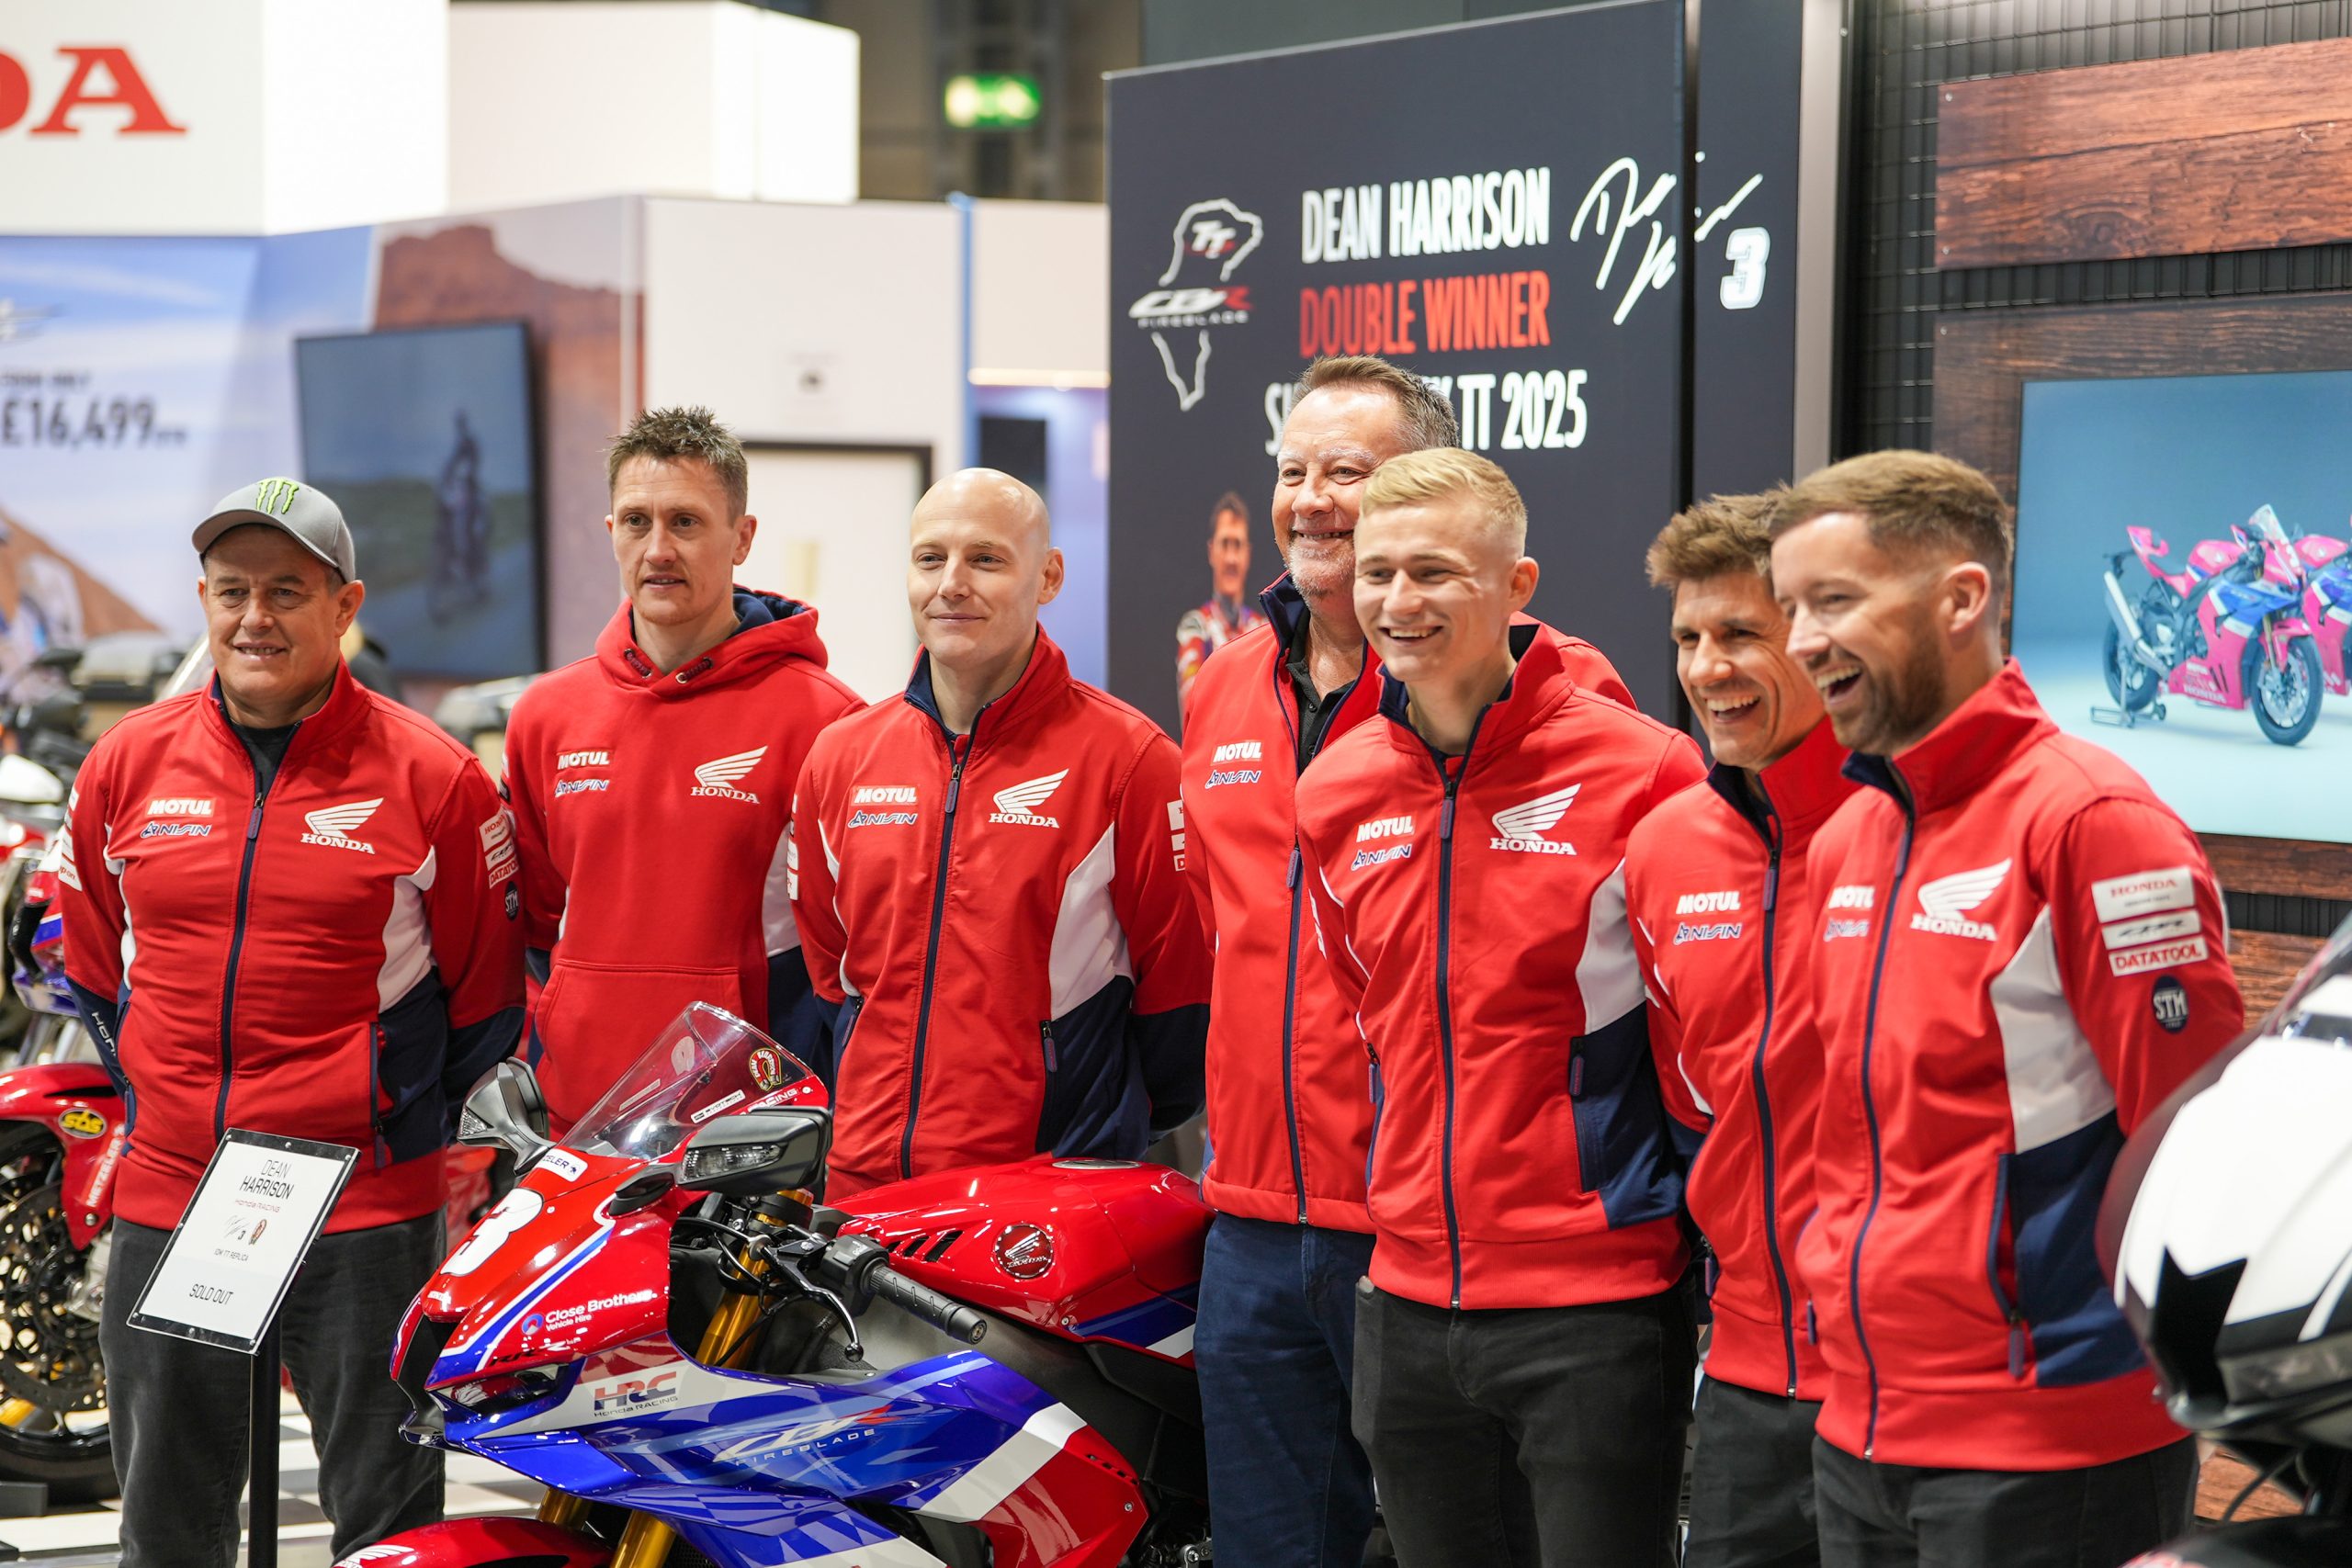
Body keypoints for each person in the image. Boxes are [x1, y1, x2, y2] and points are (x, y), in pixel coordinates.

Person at [1180, 353, 1634, 1568]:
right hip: (1254, 1223)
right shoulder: (1222, 686)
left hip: (1433, 1231)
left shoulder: (1547, 691)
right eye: (1292, 471)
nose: (1311, 500)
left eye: (1348, 472)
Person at [1769, 451, 2245, 1568]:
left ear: (1961, 598)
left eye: (1832, 600)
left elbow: (2199, 1143)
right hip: (1858, 1427)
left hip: (2049, 1441)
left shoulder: (2092, 823)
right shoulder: (1848, 836)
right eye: (1790, 607)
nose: (1799, 641)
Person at [58, 477, 523, 1568]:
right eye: (232, 591)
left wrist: (383, 1111)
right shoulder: (126, 763)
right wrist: (164, 1102)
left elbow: (487, 995)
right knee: (167, 1531)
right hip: (174, 1195)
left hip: (363, 1210)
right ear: (204, 603)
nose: (254, 618)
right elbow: (93, 964)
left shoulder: (435, 777)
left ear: (344, 605)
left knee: (388, 1533)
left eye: (286, 591)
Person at [1297, 449, 1704, 1568]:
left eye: (1434, 572)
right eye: (1377, 573)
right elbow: (1368, 1011)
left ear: (1517, 585)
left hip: (1595, 1304)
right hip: (1405, 1302)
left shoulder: (1647, 776)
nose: (1398, 602)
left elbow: (1699, 1043)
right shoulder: (1334, 790)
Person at [789, 468, 1209, 1196]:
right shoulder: (841, 757)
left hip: (1043, 1204)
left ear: (1048, 576)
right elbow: (833, 982)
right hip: (863, 1195)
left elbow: (1180, 1008)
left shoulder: (1130, 762)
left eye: (985, 558)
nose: (951, 584)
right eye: (930, 558)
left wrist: (1093, 1125)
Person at [503, 406, 862, 1132]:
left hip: (747, 1126)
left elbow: (845, 952)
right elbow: (533, 929)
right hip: (579, 1113)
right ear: (612, 532)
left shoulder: (828, 721)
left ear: (742, 537)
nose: (658, 548)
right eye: (637, 522)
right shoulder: (545, 715)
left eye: (686, 522)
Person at [1624, 493, 1852, 1568]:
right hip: (1750, 1378)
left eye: (1740, 633)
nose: (1707, 668)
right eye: (1687, 638)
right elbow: (1692, 1105)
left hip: (1932, 1385)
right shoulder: (1663, 848)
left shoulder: (1924, 829)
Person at [1174, 491, 1262, 705]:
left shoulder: (1262, 630)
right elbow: (1193, 704)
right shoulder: (1195, 626)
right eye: (1225, 544)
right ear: (1211, 552)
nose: (1231, 558)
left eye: (1237, 545)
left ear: (1248, 555)